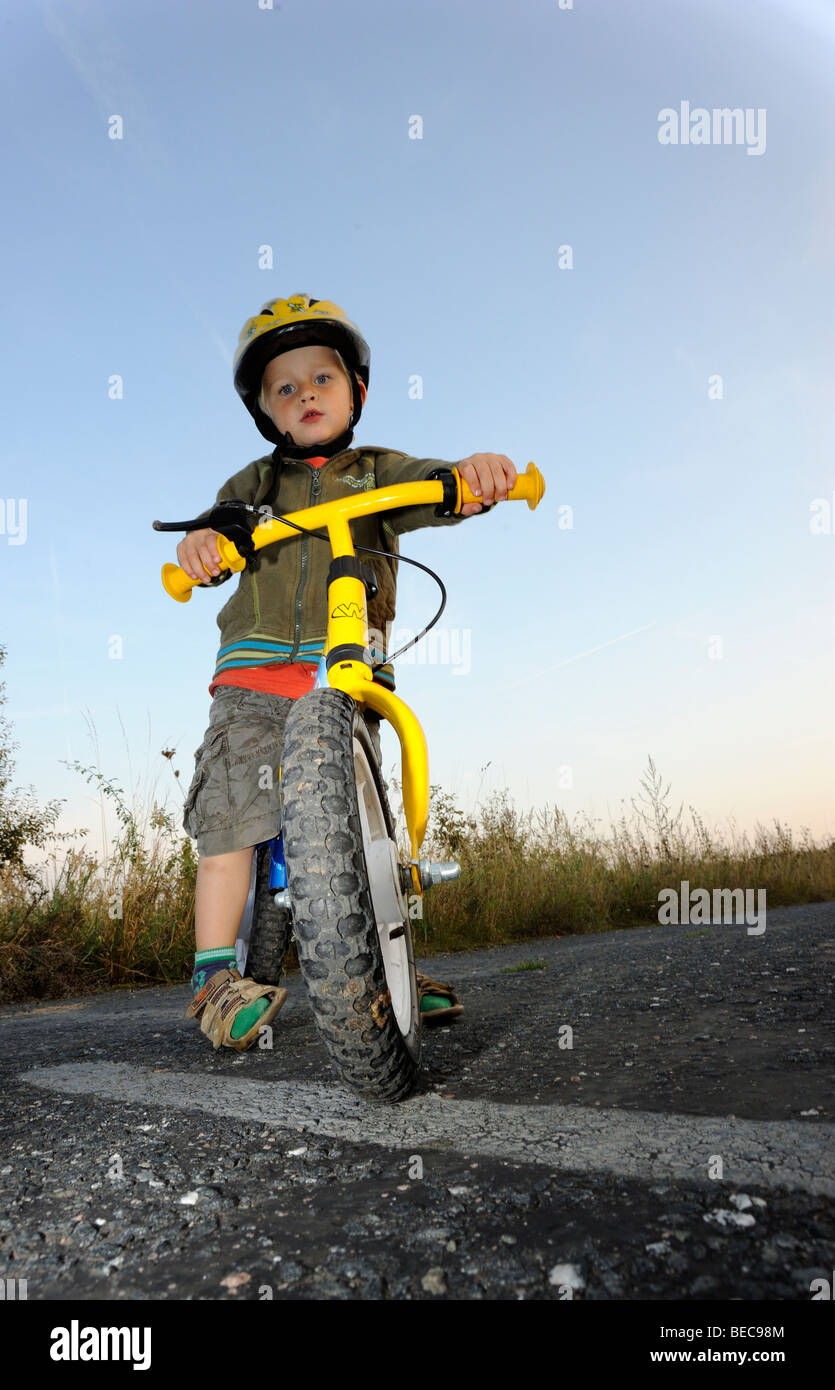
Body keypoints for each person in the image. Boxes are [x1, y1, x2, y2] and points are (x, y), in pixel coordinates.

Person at [180, 293, 517, 1050]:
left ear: (355, 391)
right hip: (258, 673)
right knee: (231, 816)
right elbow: (211, 531)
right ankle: (212, 976)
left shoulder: (376, 470)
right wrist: (201, 546)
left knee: (367, 827)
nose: (305, 395)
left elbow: (440, 484)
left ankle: (376, 969)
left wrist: (473, 476)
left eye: (321, 378)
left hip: (348, 666)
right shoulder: (255, 484)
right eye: (284, 387)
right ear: (266, 411)